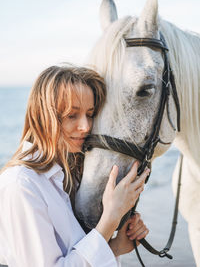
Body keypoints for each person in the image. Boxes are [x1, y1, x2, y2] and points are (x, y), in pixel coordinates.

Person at [0, 65, 150, 267]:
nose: (86, 127)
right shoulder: (21, 184)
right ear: (43, 116)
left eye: (90, 114)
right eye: (72, 115)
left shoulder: (72, 174)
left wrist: (115, 247)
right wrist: (110, 218)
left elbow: (73, 254)